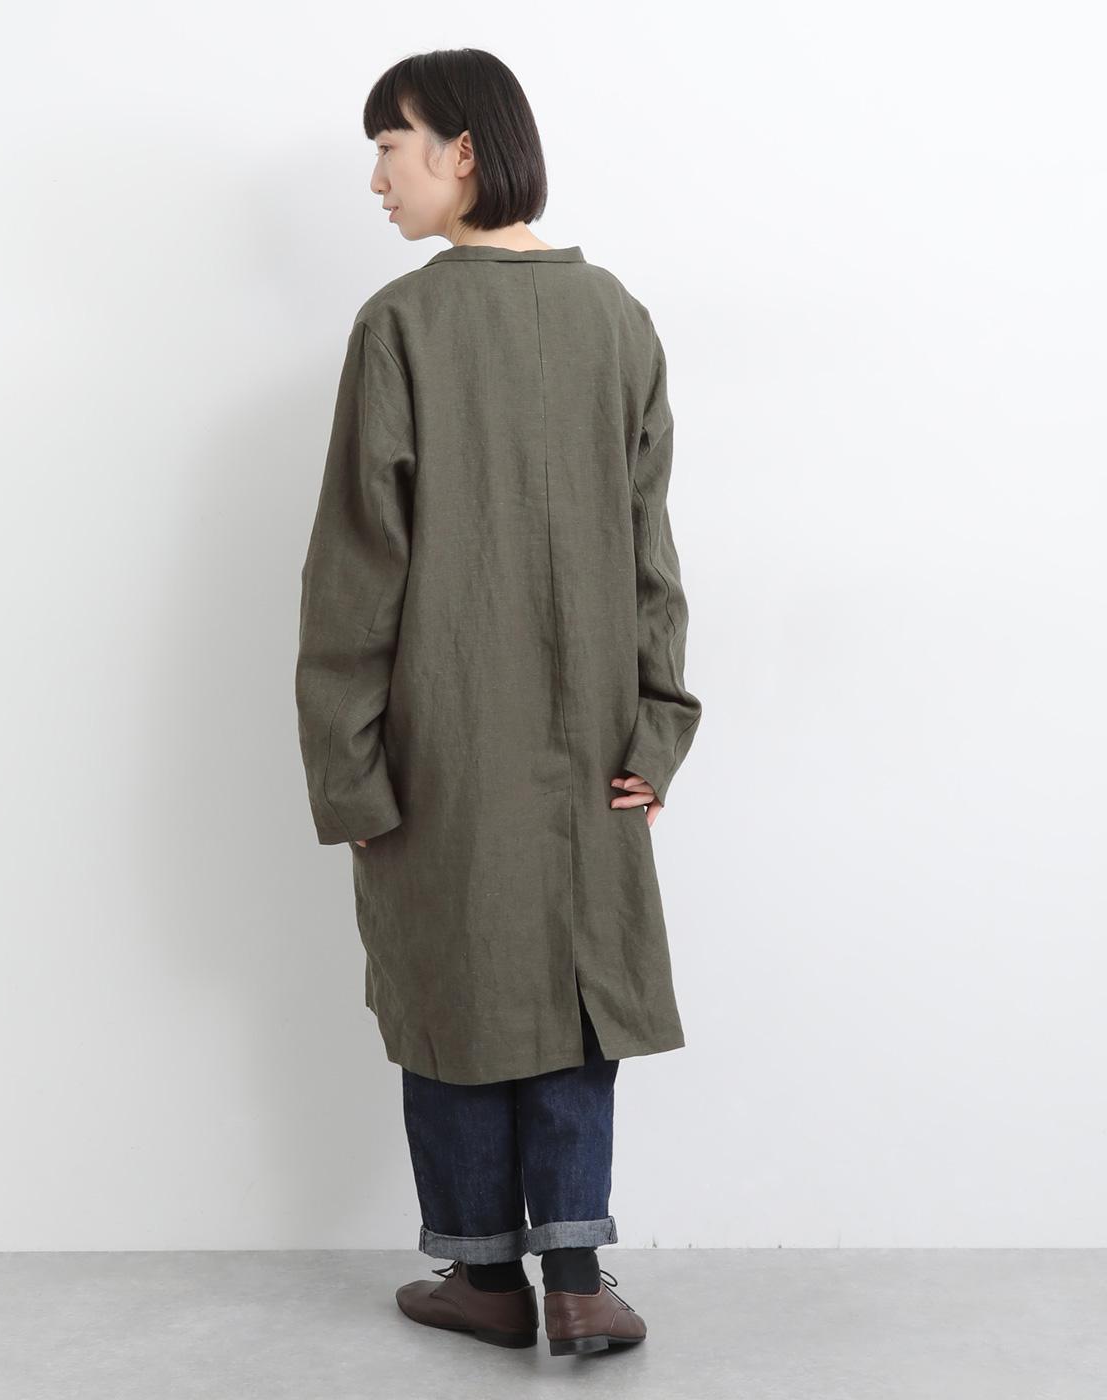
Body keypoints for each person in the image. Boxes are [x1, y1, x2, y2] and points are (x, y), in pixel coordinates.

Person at [295, 48, 701, 1357]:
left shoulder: (401, 327)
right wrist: (658, 731)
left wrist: (350, 768)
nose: (377, 179)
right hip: (596, 746)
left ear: (463, 150)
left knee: (455, 988)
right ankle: (576, 1275)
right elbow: (650, 549)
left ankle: (481, 1279)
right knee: (575, 987)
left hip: (442, 742)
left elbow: (357, 572)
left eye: (391, 147)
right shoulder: (618, 317)